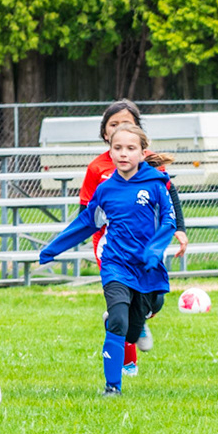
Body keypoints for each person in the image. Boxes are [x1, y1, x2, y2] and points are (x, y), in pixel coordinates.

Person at [40, 124, 176, 396]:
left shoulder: (156, 184)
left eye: (130, 148)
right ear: (110, 151)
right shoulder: (105, 190)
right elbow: (86, 222)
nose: (123, 154)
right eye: (117, 148)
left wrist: (153, 251)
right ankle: (112, 387)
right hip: (115, 264)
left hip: (146, 267)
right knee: (118, 322)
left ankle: (139, 317)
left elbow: (169, 222)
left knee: (133, 328)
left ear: (141, 152)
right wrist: (54, 247)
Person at [77, 100, 187, 377]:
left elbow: (170, 197)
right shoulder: (97, 169)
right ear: (105, 133)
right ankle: (127, 364)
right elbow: (86, 209)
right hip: (111, 248)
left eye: (128, 125)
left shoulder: (147, 163)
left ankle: (142, 319)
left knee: (155, 300)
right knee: (121, 306)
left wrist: (179, 229)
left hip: (145, 244)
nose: (121, 129)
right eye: (114, 125)